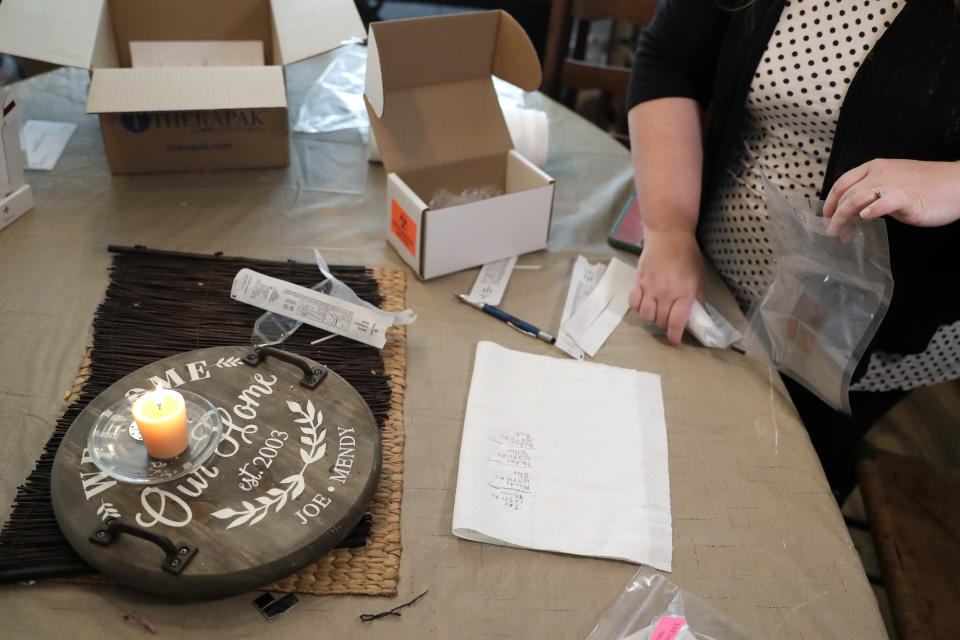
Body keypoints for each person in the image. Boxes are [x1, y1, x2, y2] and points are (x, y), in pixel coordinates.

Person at [626, 0, 960, 500]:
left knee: (779, 490)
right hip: (717, 283)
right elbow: (671, 56)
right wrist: (670, 230)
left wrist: (953, 180)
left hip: (863, 340)